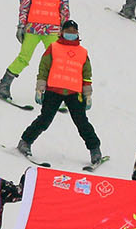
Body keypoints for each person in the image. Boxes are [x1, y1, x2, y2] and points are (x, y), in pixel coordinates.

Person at [16, 20, 102, 167]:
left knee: (81, 122)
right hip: (53, 90)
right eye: (68, 31)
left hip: (74, 93)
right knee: (45, 119)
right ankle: (25, 141)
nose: (71, 34)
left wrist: (88, 94)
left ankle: (95, 149)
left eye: (73, 32)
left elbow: (86, 75)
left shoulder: (82, 53)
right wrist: (40, 87)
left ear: (77, 34)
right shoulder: (53, 48)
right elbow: (44, 68)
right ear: (62, 32)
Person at [0, 0, 70, 102]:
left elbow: (64, 6)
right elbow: (25, 4)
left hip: (52, 29)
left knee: (56, 61)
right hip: (33, 28)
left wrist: (65, 28)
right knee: (24, 57)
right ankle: (4, 84)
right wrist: (21, 25)